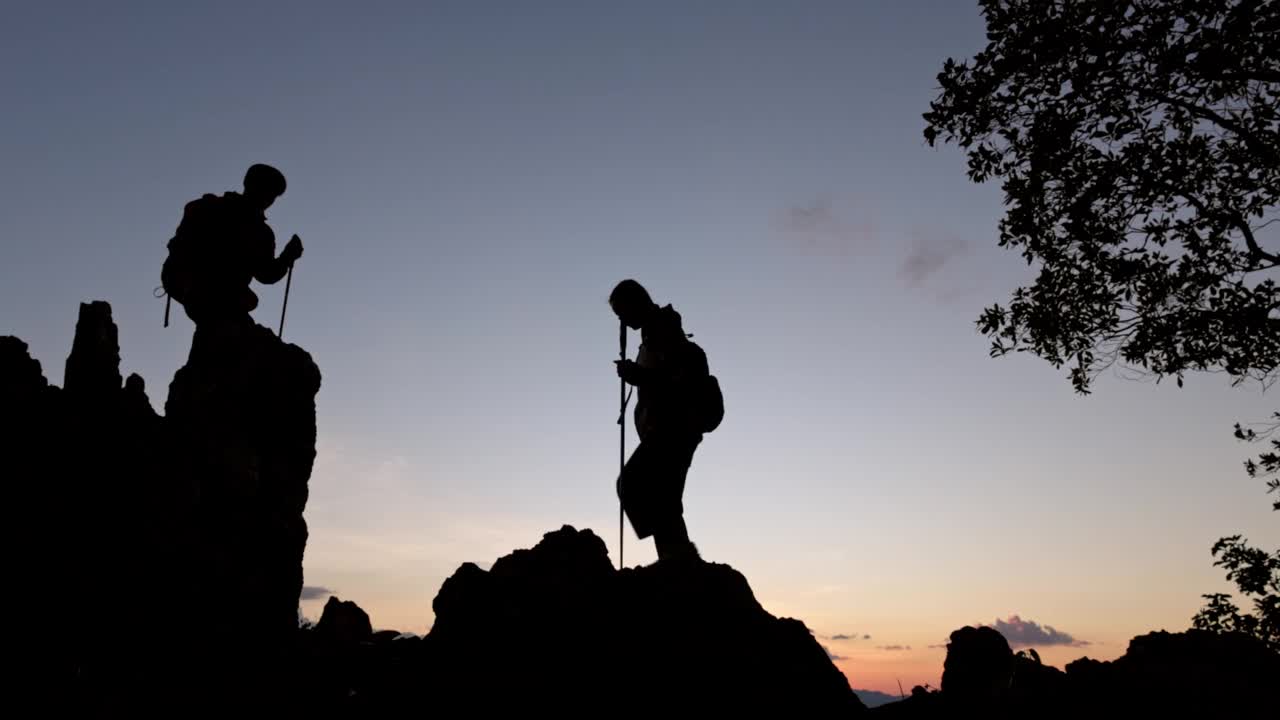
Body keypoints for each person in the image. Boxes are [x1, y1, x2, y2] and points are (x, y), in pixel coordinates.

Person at [611, 279, 710, 564]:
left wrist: (638, 376)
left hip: (674, 429)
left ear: (635, 303)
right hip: (670, 429)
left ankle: (679, 560)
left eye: (622, 312)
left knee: (634, 486)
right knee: (662, 498)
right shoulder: (653, 334)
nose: (622, 320)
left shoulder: (663, 330)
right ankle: (677, 560)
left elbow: (677, 380)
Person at [162, 163, 304, 329]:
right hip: (200, 286)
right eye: (266, 191)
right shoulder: (212, 208)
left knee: (228, 329)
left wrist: (287, 256)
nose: (268, 199)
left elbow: (266, 274)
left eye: (272, 195)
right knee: (227, 329)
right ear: (250, 185)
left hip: (212, 292)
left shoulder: (259, 232)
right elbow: (266, 274)